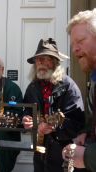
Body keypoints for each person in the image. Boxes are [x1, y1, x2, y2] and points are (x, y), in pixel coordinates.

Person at [22, 38, 86, 172]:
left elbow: (77, 123)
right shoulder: (32, 88)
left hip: (64, 153)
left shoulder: (68, 86)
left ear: (55, 62)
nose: (40, 62)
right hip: (40, 154)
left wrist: (54, 128)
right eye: (38, 59)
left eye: (45, 58)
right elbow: (27, 112)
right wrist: (27, 120)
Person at [62, 8, 96, 172]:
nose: (74, 49)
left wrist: (87, 157)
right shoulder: (93, 79)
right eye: (73, 44)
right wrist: (86, 134)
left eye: (80, 41)